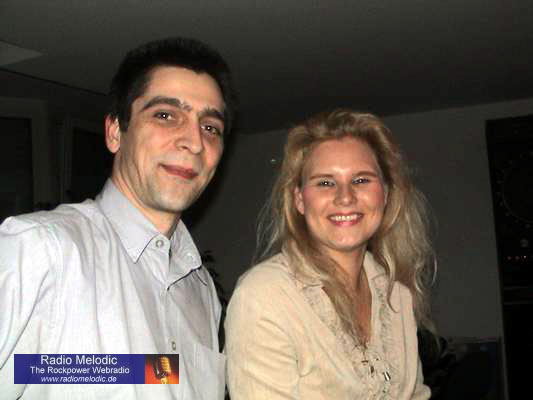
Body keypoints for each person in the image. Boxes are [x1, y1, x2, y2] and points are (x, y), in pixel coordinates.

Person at [0, 37, 236, 399]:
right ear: (115, 133)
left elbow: (153, 375)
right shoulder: (39, 252)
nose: (194, 141)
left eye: (210, 127)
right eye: (165, 115)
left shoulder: (201, 288)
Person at [225, 109, 435, 399]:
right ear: (300, 199)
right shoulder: (265, 295)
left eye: (361, 180)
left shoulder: (397, 293)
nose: (345, 197)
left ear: (385, 194)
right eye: (325, 182)